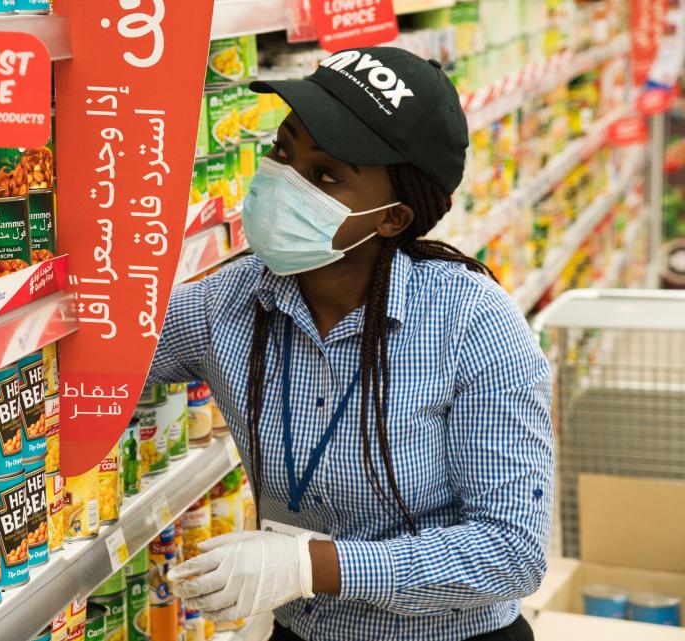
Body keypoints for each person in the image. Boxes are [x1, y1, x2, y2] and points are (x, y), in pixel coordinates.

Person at [151, 47, 553, 641]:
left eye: (326, 176)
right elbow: (105, 357)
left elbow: (512, 551)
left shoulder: (470, 322)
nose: (284, 181)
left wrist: (311, 564)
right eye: (282, 152)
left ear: (393, 217)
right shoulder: (229, 302)